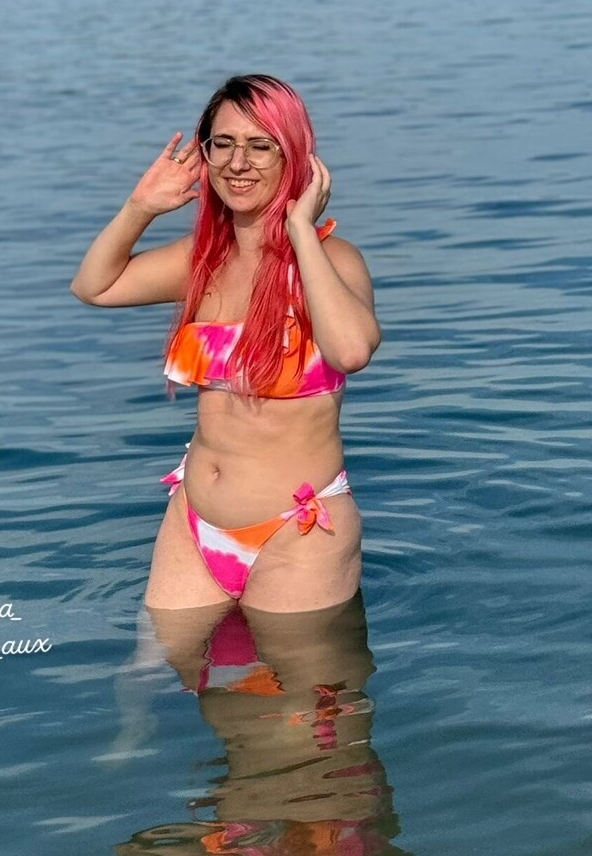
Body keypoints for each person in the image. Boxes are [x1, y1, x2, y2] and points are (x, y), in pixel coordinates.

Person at [70, 74, 381, 613]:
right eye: (224, 143)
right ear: (206, 153)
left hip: (297, 536)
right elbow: (94, 287)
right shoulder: (203, 261)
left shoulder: (332, 261)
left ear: (294, 156)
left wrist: (300, 230)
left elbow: (351, 352)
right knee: (155, 663)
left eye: (261, 146)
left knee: (293, 671)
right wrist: (141, 206)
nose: (238, 163)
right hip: (192, 524)